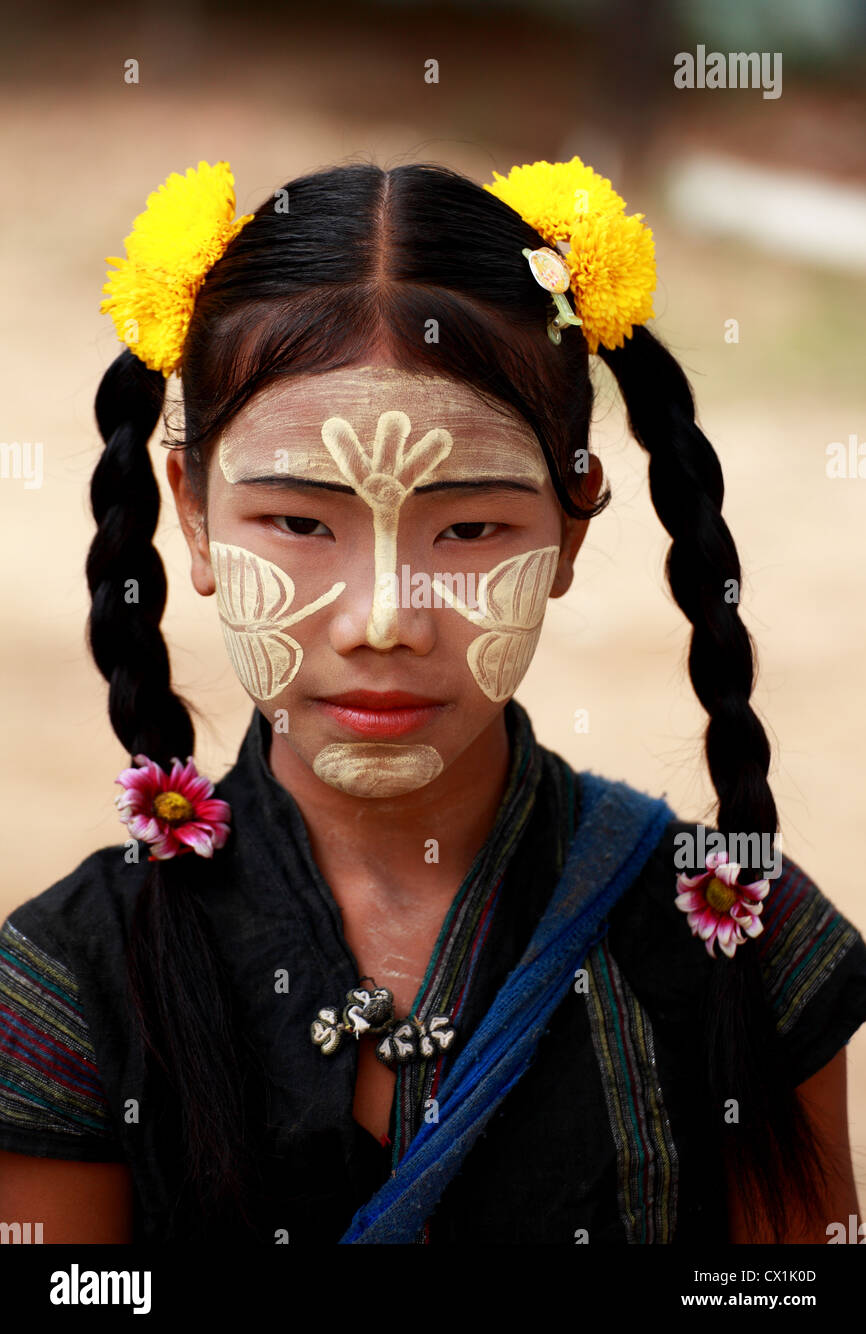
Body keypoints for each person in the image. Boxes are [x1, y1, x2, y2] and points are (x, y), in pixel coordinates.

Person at [0, 156, 864, 1246]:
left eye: (469, 529)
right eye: (299, 525)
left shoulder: (741, 948)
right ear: (196, 514)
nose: (385, 619)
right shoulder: (69, 982)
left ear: (571, 526)